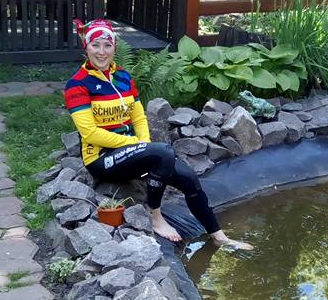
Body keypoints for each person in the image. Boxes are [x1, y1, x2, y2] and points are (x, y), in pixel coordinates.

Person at [64, 19, 252, 250]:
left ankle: (219, 237)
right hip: (102, 158)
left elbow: (138, 117)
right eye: (96, 45)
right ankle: (156, 217)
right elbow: (90, 133)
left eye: (107, 45)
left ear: (114, 47)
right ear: (86, 47)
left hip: (130, 151)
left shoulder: (123, 77)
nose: (102, 52)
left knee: (189, 179)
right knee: (163, 153)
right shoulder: (77, 85)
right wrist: (134, 144)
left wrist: (142, 146)